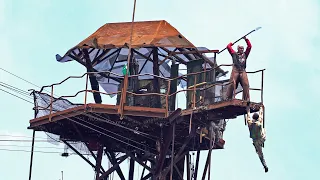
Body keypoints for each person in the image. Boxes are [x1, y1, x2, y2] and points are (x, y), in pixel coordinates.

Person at [226, 37, 252, 101]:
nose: (242, 49)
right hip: (236, 70)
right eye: (240, 48)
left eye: (242, 48)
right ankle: (228, 97)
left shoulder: (245, 54)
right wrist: (231, 43)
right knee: (232, 83)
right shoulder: (234, 54)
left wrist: (246, 39)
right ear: (238, 49)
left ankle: (246, 99)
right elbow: (228, 47)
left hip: (242, 70)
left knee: (246, 84)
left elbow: (249, 47)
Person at [246, 106, 268, 172]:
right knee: (264, 130)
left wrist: (248, 110)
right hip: (262, 138)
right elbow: (261, 115)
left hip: (256, 141)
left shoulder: (250, 123)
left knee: (260, 155)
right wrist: (261, 108)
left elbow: (248, 116)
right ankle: (265, 166)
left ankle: (265, 166)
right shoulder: (259, 123)